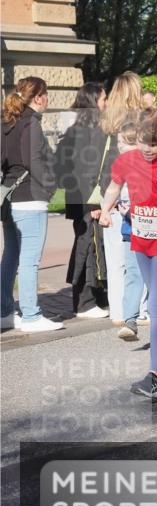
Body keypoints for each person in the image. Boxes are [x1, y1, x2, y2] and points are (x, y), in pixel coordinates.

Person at [99, 109, 157, 399]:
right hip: (141, 241)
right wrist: (105, 209)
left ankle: (155, 376)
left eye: (155, 144)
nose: (148, 149)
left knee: (156, 301)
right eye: (142, 142)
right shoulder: (127, 160)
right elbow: (114, 186)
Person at [1, 76, 62, 332]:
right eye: (46, 94)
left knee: (11, 256)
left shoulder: (7, 123)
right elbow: (33, 162)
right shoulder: (31, 124)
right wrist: (49, 187)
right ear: (38, 97)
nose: (47, 99)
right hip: (30, 198)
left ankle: (5, 311)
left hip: (9, 197)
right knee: (29, 260)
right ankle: (30, 315)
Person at [55, 82, 112, 318]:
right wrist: (93, 203)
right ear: (93, 101)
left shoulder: (78, 128)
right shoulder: (88, 130)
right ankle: (84, 302)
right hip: (88, 199)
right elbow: (84, 169)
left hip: (81, 197)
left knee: (91, 245)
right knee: (87, 247)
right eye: (103, 99)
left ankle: (95, 296)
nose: (106, 103)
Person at [99, 71, 144, 326]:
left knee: (115, 258)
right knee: (138, 255)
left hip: (110, 191)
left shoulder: (105, 123)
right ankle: (138, 310)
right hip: (135, 192)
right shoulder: (142, 122)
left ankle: (117, 310)